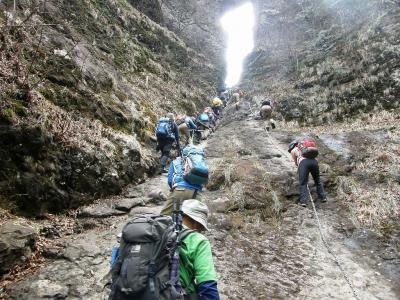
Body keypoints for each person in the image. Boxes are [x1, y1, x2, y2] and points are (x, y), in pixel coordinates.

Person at [179, 199, 220, 300]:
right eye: (201, 228)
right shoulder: (198, 240)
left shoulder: (158, 232)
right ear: (197, 223)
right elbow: (208, 285)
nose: (200, 231)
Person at [288, 139, 327, 207]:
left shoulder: (293, 150)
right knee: (317, 181)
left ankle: (303, 201)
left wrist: (298, 165)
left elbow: (296, 162)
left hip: (304, 163)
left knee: (303, 183)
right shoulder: (306, 148)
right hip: (314, 162)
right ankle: (323, 197)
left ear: (292, 146)